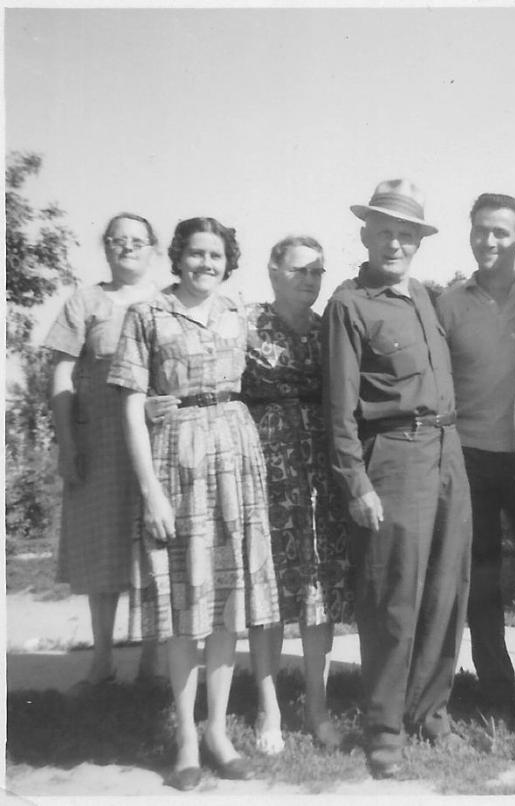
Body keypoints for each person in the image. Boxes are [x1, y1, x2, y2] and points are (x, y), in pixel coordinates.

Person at [108, 217, 282, 791]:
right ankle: (184, 737)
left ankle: (218, 731)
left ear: (228, 261)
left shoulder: (240, 313)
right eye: (196, 254)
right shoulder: (146, 315)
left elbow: (290, 361)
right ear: (178, 257)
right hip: (175, 464)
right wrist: (150, 490)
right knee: (184, 605)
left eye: (217, 255)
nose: (206, 263)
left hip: (235, 454)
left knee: (229, 603)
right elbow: (133, 406)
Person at [323, 179, 472, 778]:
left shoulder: (425, 299)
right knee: (392, 595)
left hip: (447, 450)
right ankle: (384, 727)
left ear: (418, 242)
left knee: (445, 589)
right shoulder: (349, 304)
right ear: (365, 233)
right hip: (393, 456)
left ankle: (431, 712)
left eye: (406, 233)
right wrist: (355, 481)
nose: (395, 242)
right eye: (384, 230)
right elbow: (338, 407)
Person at [435, 194, 515, 708]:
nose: (489, 241)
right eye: (481, 230)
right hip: (470, 456)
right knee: (481, 579)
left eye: (501, 233)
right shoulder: (449, 302)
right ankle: (497, 690)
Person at [242, 235, 354, 754]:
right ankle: (268, 710)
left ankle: (318, 708)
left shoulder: (329, 326)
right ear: (273, 271)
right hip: (265, 468)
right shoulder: (243, 322)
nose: (310, 279)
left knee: (316, 597)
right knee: (266, 595)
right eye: (300, 270)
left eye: (318, 271)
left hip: (318, 474)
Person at [44, 213, 162, 690]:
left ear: (153, 247)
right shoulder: (85, 302)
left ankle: (153, 662)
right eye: (118, 240)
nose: (128, 247)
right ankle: (103, 659)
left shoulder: (167, 300)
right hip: (100, 442)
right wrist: (67, 443)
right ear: (106, 247)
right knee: (102, 551)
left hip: (157, 442)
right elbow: (60, 378)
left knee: (156, 549)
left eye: (138, 240)